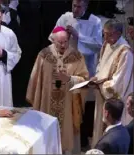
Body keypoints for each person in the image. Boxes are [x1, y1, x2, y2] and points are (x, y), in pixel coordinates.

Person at [26, 27, 89, 154]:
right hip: (47, 104)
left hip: (68, 106)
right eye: (60, 42)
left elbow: (85, 80)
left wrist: (70, 79)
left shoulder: (76, 56)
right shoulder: (44, 55)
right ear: (53, 41)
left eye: (66, 41)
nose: (63, 45)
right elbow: (35, 80)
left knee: (66, 139)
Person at [49, 0, 103, 148]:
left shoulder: (95, 22)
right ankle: (63, 135)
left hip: (84, 68)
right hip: (65, 67)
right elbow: (52, 37)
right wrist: (61, 39)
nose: (75, 9)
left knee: (83, 102)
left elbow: (98, 45)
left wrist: (79, 36)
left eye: (79, 6)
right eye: (74, 5)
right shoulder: (65, 17)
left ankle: (83, 138)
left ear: (86, 6)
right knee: (65, 101)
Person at [90, 19, 134, 147]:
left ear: (119, 33)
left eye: (109, 34)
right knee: (99, 128)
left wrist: (100, 85)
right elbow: (100, 66)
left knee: (112, 139)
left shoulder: (125, 52)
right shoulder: (106, 45)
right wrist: (96, 77)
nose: (106, 37)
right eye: (104, 34)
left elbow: (119, 82)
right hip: (101, 96)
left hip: (114, 99)